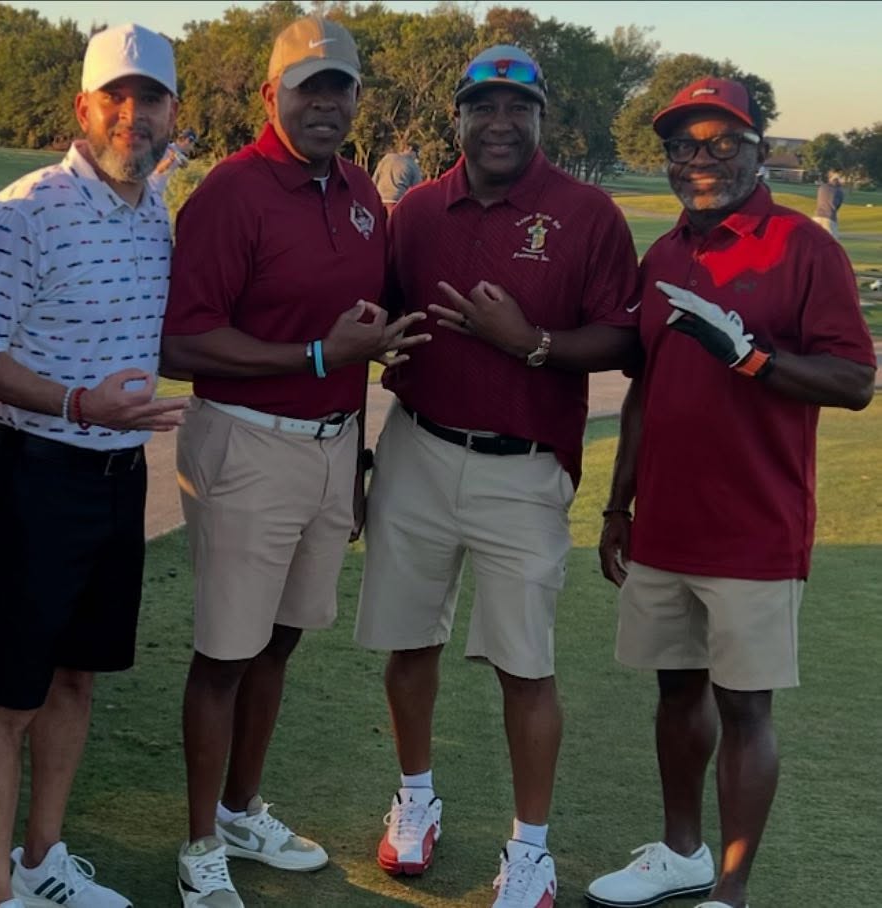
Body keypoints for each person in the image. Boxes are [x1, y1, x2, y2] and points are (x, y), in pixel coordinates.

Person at [353, 43, 641, 908]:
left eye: (518, 107)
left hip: (524, 464)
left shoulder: (586, 213)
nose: (501, 121)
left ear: (543, 118)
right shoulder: (416, 211)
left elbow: (623, 340)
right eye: (483, 105)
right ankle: (415, 799)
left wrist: (531, 344)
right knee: (410, 641)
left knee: (525, 664)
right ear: (459, 118)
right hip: (418, 445)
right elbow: (383, 314)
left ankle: (531, 849)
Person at [586, 76, 876, 908]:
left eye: (721, 144)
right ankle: (682, 853)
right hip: (666, 522)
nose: (700, 161)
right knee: (674, 689)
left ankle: (730, 890)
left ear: (757, 151)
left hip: (754, 520)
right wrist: (617, 505)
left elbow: (855, 380)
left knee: (743, 705)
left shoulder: (802, 247)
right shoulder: (666, 252)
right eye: (683, 146)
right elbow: (645, 387)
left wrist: (752, 358)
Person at [161, 15, 428, 908]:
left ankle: (241, 808)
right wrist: (315, 355)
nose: (325, 103)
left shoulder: (358, 188)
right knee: (224, 654)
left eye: (339, 87)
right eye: (307, 86)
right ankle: (201, 842)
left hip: (327, 447)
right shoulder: (231, 194)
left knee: (278, 643)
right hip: (244, 440)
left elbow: (362, 325)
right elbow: (182, 342)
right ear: (269, 93)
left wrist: (350, 446)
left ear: (357, 98)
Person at [0, 22, 187, 908]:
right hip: (33, 474)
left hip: (117, 476)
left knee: (77, 675)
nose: (133, 115)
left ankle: (41, 860)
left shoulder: (153, 206)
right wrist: (75, 404)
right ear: (84, 107)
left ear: (173, 113)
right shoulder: (22, 210)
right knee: (8, 699)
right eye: (116, 98)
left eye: (151, 99)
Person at [371, 141, 423, 213]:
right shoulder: (413, 165)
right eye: (416, 155)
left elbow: (375, 179)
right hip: (397, 200)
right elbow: (418, 189)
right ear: (411, 149)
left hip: (379, 199)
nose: (416, 158)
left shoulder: (387, 158)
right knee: (393, 223)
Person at [149, 127, 198, 196]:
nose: (192, 148)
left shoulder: (180, 155)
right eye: (193, 144)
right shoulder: (167, 148)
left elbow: (185, 166)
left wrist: (183, 164)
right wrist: (171, 159)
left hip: (160, 192)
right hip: (152, 189)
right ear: (188, 140)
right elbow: (158, 170)